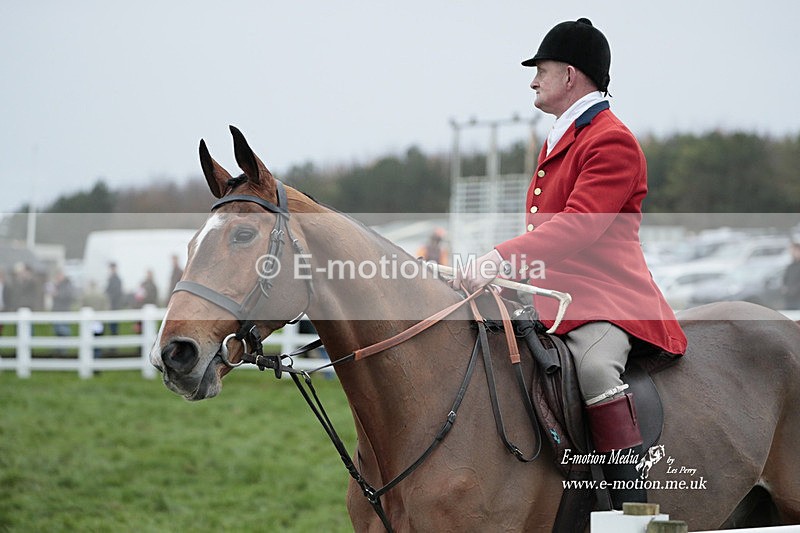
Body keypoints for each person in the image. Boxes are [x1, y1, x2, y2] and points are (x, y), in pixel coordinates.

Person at [457, 18, 687, 509]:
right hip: (553, 295)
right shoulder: (561, 138)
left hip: (606, 298)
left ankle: (630, 510)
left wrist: (501, 256)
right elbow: (548, 233)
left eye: (540, 70)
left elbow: (580, 224)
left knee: (596, 368)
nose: (533, 81)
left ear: (570, 75)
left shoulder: (611, 140)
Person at [105, 262, 123, 335]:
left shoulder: (116, 280)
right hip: (112, 306)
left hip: (114, 306)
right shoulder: (111, 279)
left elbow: (115, 293)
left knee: (114, 326)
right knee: (111, 326)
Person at [783, 241, 800, 309]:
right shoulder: (790, 266)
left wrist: (794, 290)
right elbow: (785, 278)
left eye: (794, 250)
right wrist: (784, 288)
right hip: (789, 298)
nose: (792, 253)